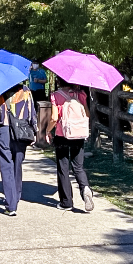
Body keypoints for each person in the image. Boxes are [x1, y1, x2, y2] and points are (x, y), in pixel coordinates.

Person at [47, 76, 94, 212]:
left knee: (63, 168)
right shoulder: (81, 94)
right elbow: (87, 115)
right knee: (78, 167)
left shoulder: (56, 95)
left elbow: (54, 118)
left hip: (63, 136)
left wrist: (47, 131)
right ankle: (85, 187)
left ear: (59, 81)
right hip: (78, 135)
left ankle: (66, 202)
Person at [0, 83, 37, 216]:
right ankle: (16, 196)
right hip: (22, 131)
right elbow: (32, 113)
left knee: (6, 166)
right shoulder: (25, 91)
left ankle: (11, 204)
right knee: (17, 165)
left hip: (5, 131)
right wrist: (34, 131)